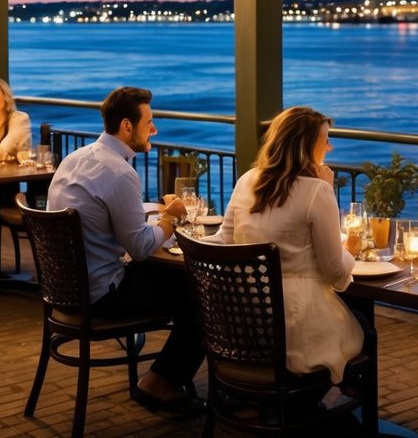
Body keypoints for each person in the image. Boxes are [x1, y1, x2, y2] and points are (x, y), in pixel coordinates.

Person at [47, 86, 204, 417]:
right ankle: (160, 384)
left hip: (65, 289)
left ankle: (166, 376)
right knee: (203, 295)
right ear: (127, 126)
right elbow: (142, 247)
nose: (155, 129)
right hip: (101, 295)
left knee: (180, 283)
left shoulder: (74, 160)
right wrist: (171, 218)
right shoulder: (118, 172)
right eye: (149, 122)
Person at [212, 105, 367, 388]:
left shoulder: (247, 180)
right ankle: (324, 410)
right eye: (326, 140)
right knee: (365, 331)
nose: (330, 148)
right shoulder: (317, 192)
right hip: (295, 325)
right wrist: (350, 249)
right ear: (306, 147)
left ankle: (297, 406)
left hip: (244, 322)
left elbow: (224, 241)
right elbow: (335, 273)